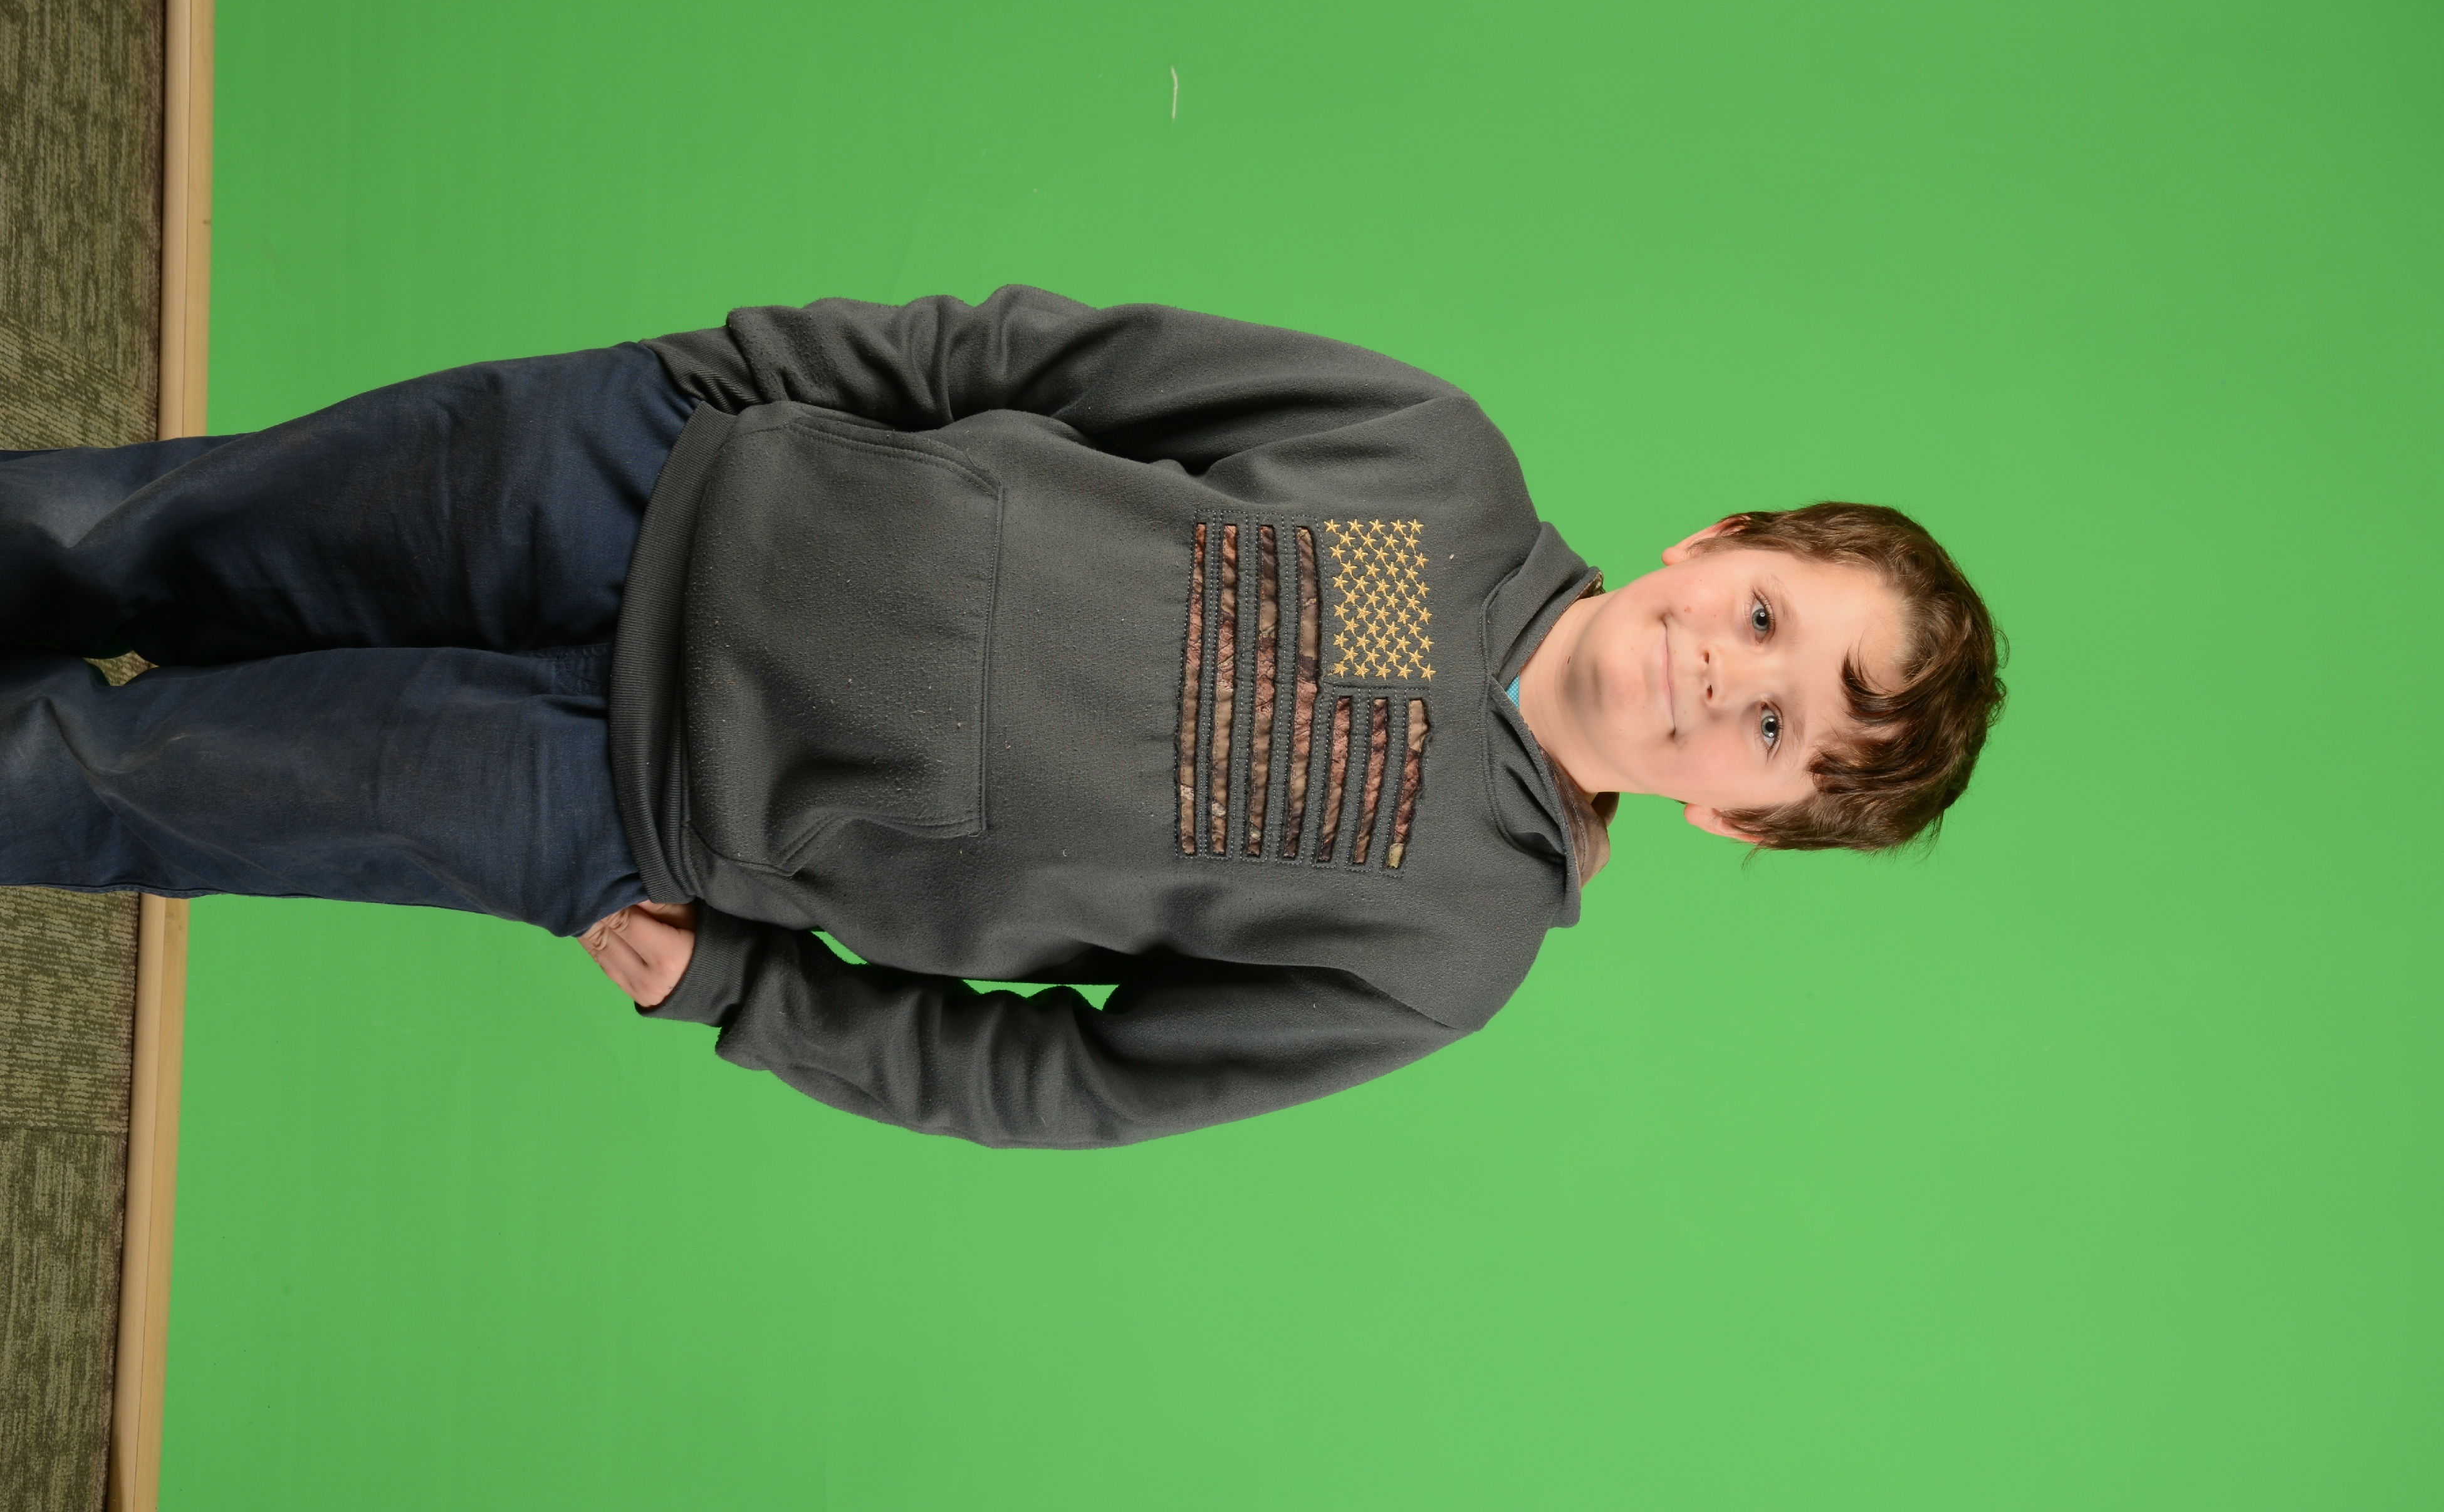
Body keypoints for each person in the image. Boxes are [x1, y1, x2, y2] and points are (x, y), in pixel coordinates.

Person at [0, 286, 2004, 1147]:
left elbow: (1080, 1081)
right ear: (1714, 542)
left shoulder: (1445, 941)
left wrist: (745, 996)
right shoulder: (1430, 472)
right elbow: (1041, 361)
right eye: (1765, 616)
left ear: (1738, 821)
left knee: (121, 776)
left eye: (1775, 730)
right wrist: (724, 376)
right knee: (138, 530)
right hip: (641, 480)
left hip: (631, 804)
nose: (1729, 673)